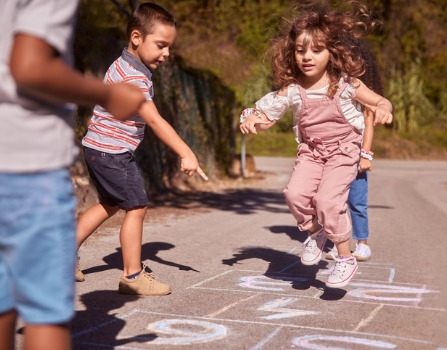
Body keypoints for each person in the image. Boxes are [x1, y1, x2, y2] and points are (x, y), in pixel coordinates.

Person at [0, 0, 146, 349]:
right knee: (45, 314)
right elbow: (30, 66)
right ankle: (133, 272)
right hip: (26, 160)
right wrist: (106, 94)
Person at [240, 1, 392, 288]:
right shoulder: (293, 89)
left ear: (331, 52)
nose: (306, 57)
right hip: (311, 152)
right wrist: (251, 118)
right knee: (294, 195)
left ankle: (345, 257)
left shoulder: (346, 84)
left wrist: (385, 109)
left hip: (343, 152)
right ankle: (316, 233)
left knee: (327, 201)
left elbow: (379, 101)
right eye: (300, 51)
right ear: (292, 52)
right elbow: (267, 117)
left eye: (316, 50)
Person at [75, 2, 208, 296]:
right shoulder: (134, 78)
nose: (167, 54)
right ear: (137, 37)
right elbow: (155, 121)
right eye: (161, 45)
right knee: (137, 206)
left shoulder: (124, 65)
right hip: (112, 151)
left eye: (169, 47)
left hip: (96, 147)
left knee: (109, 203)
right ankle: (132, 276)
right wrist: (186, 152)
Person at [325, 38, 385, 262]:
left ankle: (362, 243)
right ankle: (339, 242)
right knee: (335, 201)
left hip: (357, 156)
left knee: (356, 202)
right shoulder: (333, 90)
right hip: (335, 155)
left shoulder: (362, 96)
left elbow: (368, 126)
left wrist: (366, 155)